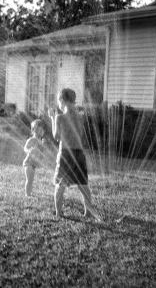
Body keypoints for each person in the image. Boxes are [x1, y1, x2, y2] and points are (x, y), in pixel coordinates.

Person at [48, 88, 101, 221]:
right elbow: (80, 135)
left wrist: (53, 118)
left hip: (65, 153)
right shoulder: (80, 117)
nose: (58, 105)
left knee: (60, 185)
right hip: (79, 153)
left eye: (59, 102)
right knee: (83, 184)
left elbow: (56, 136)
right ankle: (87, 211)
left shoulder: (60, 117)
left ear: (62, 101)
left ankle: (59, 213)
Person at [23, 119, 46, 196]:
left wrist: (43, 146)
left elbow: (42, 152)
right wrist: (29, 150)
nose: (41, 131)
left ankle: (29, 192)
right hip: (28, 163)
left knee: (31, 180)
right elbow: (25, 148)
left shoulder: (41, 141)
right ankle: (27, 194)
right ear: (34, 131)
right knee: (29, 179)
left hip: (34, 164)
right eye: (39, 129)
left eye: (42, 130)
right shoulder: (31, 139)